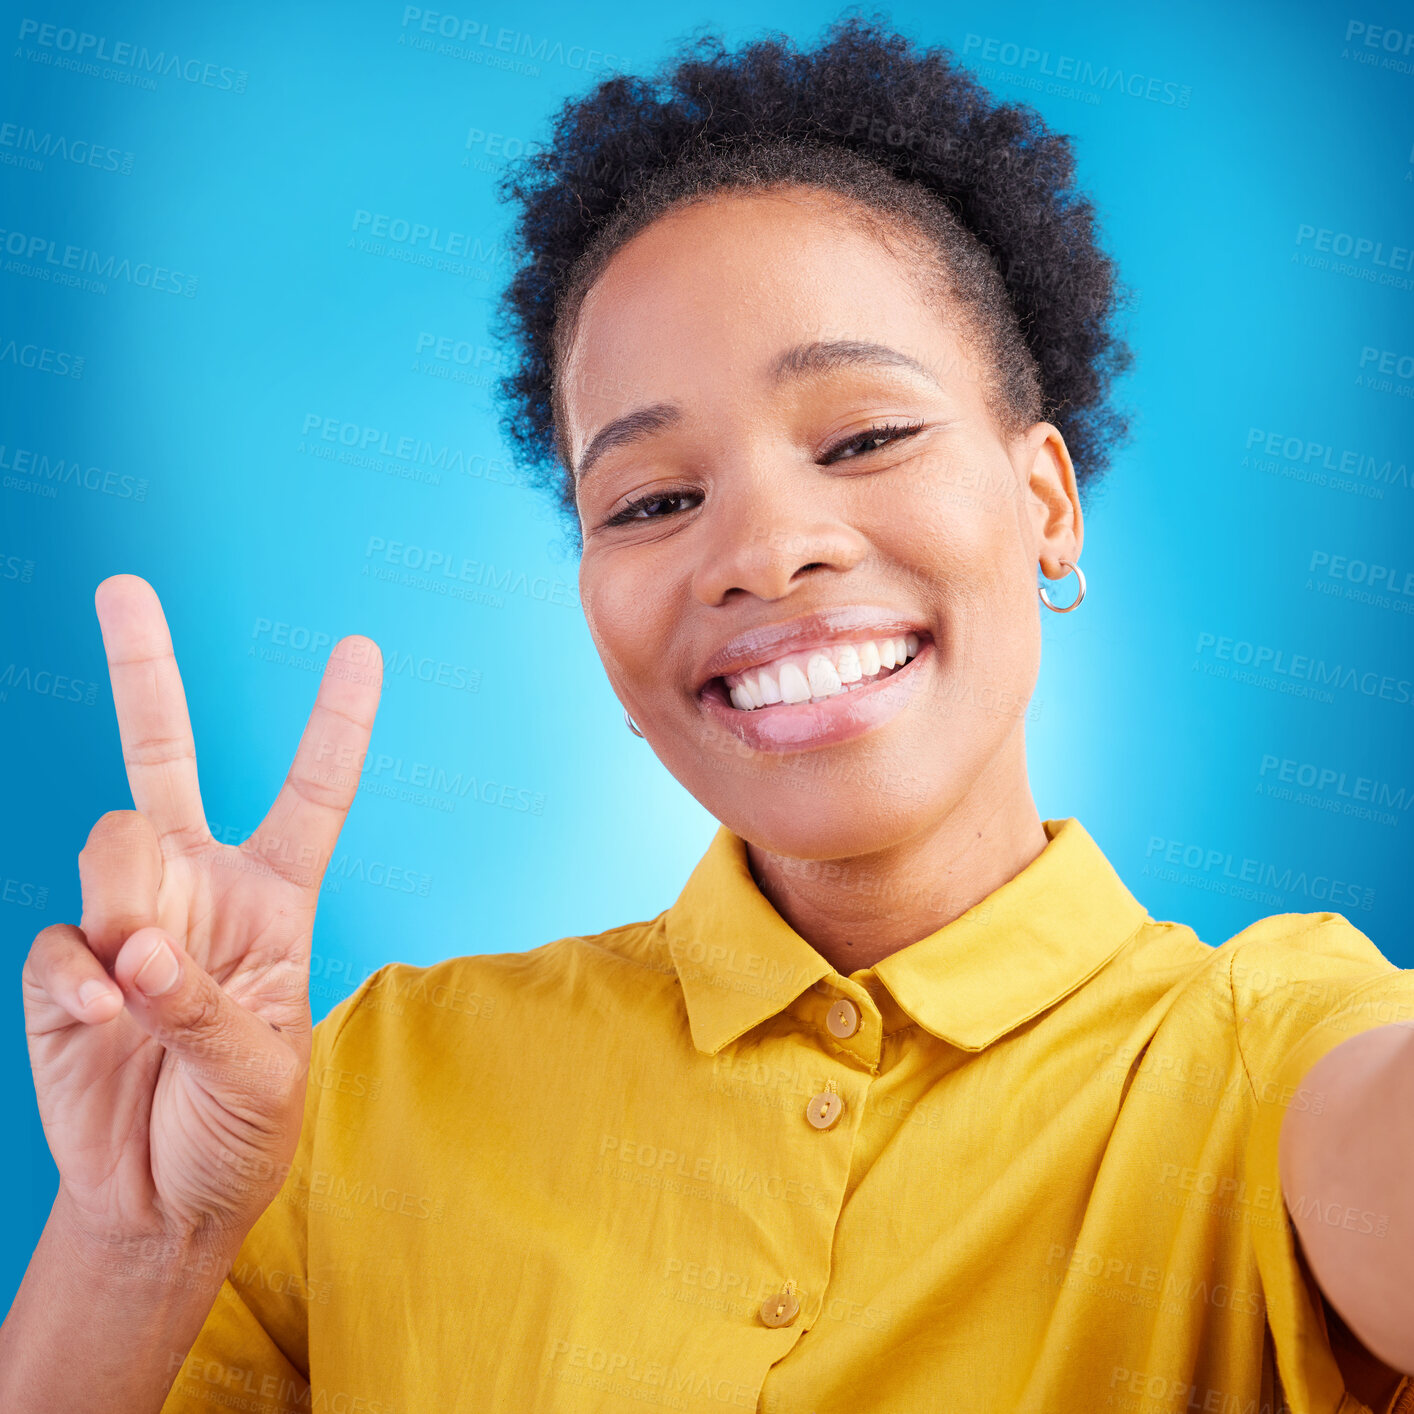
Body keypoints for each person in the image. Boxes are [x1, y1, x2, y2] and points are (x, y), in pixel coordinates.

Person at [3, 14, 1412, 1413]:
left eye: (863, 436)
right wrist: (137, 1240)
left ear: (1043, 499)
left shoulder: (1262, 1053)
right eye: (653, 500)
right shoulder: (364, 1085)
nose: (763, 546)